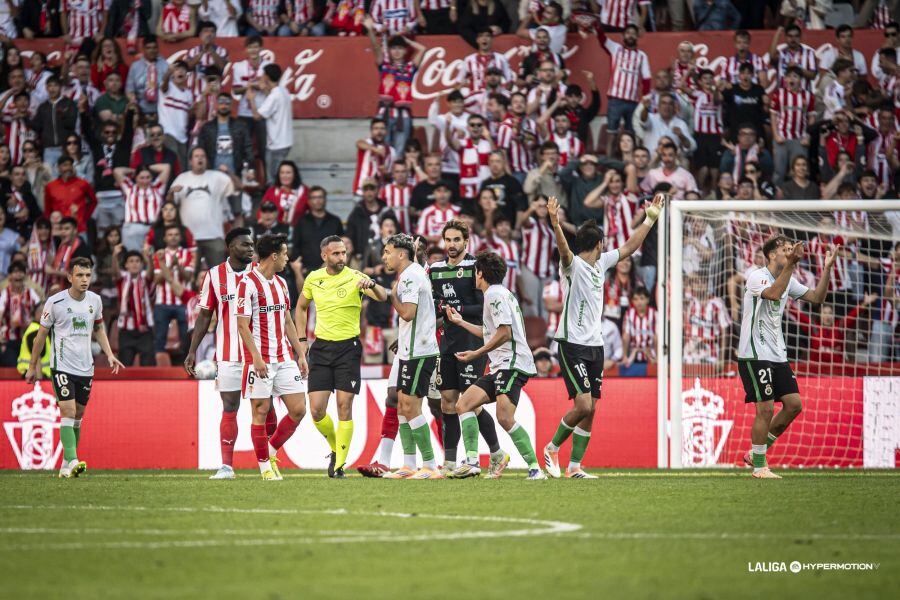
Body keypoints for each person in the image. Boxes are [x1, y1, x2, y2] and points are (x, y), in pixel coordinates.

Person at [544, 192, 663, 479]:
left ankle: (575, 467)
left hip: (595, 345)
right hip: (571, 344)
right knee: (582, 404)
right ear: (598, 244)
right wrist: (556, 225)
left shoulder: (601, 263)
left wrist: (650, 219)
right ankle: (552, 448)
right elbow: (563, 249)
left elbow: (630, 247)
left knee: (592, 408)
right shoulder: (572, 265)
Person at [736, 236, 840, 479]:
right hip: (754, 353)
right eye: (785, 250)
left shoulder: (788, 279)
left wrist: (827, 268)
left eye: (791, 250)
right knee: (765, 409)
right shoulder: (757, 276)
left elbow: (817, 298)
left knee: (794, 405)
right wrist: (792, 264)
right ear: (772, 255)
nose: (790, 253)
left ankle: (755, 453)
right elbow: (773, 294)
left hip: (777, 354)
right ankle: (759, 467)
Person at [445, 250, 544, 480]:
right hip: (501, 365)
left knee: (505, 418)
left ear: (481, 273)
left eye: (475, 271)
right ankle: (472, 462)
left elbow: (504, 333)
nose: (474, 276)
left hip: (512, 363)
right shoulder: (499, 293)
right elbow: (490, 332)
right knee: (463, 404)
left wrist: (476, 354)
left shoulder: (494, 295)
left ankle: (535, 468)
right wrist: (460, 322)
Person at [295, 236, 389, 477]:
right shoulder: (314, 278)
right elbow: (301, 307)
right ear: (324, 255)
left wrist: (372, 284)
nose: (341, 257)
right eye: (336, 253)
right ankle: (336, 448)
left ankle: (338, 466)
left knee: (344, 406)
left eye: (343, 253)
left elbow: (382, 296)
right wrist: (302, 340)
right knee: (316, 410)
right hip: (321, 348)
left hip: (348, 348)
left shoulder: (356, 277)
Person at [25, 257, 125, 478]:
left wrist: (109, 354)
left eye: (88, 275)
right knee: (67, 411)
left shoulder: (95, 301)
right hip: (61, 365)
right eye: (79, 275)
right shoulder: (55, 302)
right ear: (70, 277)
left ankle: (65, 465)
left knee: (78, 415)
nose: (84, 280)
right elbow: (40, 336)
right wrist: (32, 366)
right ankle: (72, 460)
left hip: (85, 367)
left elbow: (98, 329)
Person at [427, 220, 506, 475]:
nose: (451, 245)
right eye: (448, 240)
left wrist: (457, 309)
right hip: (447, 343)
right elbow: (432, 303)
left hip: (473, 342)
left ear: (466, 241)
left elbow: (484, 305)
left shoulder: (476, 268)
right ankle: (450, 462)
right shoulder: (436, 270)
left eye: (456, 240)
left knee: (470, 402)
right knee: (447, 402)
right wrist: (440, 307)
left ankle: (488, 455)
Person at [184, 227, 258, 478]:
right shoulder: (214, 275)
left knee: (264, 407)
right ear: (230, 247)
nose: (250, 248)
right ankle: (227, 466)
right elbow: (205, 315)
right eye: (245, 244)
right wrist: (192, 351)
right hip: (228, 353)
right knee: (229, 406)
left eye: (252, 244)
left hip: (258, 354)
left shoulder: (259, 272)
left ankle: (267, 462)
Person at [235, 233, 309, 481]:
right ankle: (265, 467)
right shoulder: (247, 283)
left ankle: (269, 450)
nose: (288, 258)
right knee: (261, 410)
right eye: (285, 254)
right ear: (274, 256)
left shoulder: (281, 283)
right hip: (260, 359)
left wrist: (300, 354)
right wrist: (256, 357)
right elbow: (242, 325)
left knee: (298, 409)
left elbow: (287, 320)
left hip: (284, 357)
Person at [372, 234, 442, 479]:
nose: (384, 257)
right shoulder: (410, 273)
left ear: (401, 254)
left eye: (387, 252)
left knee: (411, 407)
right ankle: (409, 464)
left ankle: (431, 465)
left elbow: (408, 313)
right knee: (402, 407)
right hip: (408, 352)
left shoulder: (411, 276)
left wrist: (392, 296)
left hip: (419, 351)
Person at [364, 23, 426, 157]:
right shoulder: (384, 66)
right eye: (393, 48)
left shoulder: (410, 68)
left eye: (400, 48)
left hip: (403, 116)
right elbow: (376, 48)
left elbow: (422, 49)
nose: (396, 51)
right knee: (382, 151)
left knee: (398, 154)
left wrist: (406, 40)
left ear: (405, 51)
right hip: (383, 114)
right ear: (389, 51)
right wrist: (370, 30)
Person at [168, 146, 236, 268]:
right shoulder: (181, 178)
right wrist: (171, 193)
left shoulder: (217, 177)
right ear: (190, 161)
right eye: (196, 156)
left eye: (202, 156)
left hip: (214, 236)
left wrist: (229, 173)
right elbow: (169, 205)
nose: (200, 159)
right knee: (191, 275)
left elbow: (238, 187)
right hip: (189, 238)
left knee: (218, 275)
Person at [596, 23, 651, 157]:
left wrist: (645, 99)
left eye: (633, 33)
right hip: (615, 100)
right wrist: (597, 27)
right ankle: (609, 164)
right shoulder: (616, 49)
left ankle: (629, 163)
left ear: (637, 37)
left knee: (631, 136)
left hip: (633, 102)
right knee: (612, 134)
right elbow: (602, 39)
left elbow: (646, 78)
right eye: (628, 33)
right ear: (623, 36)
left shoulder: (642, 56)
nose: (630, 36)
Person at [152, 225, 195, 357]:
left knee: (186, 338)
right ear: (165, 238)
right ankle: (159, 365)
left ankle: (186, 364)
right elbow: (157, 280)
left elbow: (188, 277)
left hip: (183, 302)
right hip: (162, 302)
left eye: (176, 234)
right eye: (170, 234)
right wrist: (171, 265)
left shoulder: (188, 254)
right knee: (160, 337)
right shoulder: (159, 255)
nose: (173, 237)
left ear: (180, 237)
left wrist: (178, 266)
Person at [246, 63, 292, 185]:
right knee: (279, 178)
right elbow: (271, 101)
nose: (261, 77)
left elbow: (257, 116)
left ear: (266, 76)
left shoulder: (274, 96)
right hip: (285, 142)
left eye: (263, 75)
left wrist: (251, 99)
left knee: (274, 180)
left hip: (276, 145)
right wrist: (264, 88)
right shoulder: (283, 91)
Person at [770, 66, 814, 184]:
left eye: (795, 76)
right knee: (779, 171)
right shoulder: (779, 94)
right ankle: (777, 193)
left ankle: (797, 194)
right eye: (789, 76)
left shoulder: (808, 96)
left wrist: (808, 136)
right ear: (784, 79)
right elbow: (773, 115)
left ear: (800, 80)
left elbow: (811, 118)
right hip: (782, 137)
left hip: (799, 139)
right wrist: (776, 135)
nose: (791, 79)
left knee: (799, 171)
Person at [114, 164, 171, 251]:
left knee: (154, 256)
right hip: (133, 228)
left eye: (148, 177)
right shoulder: (129, 188)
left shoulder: (158, 187)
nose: (145, 181)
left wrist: (147, 167)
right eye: (141, 177)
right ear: (136, 178)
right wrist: (135, 170)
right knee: (132, 256)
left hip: (153, 228)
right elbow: (117, 171)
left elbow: (166, 167)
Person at [115, 250, 156, 367]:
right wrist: (114, 256)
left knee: (148, 367)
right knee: (124, 367)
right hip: (126, 330)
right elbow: (115, 272)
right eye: (131, 261)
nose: (134, 264)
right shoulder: (122, 279)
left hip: (145, 330)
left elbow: (151, 273)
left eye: (138, 261)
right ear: (126, 265)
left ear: (142, 264)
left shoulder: (145, 278)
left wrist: (149, 258)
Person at [291, 186, 344, 272]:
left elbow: (341, 247)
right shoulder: (301, 222)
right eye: (314, 198)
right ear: (309, 201)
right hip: (307, 270)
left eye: (320, 197)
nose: (318, 200)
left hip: (331, 269)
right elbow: (296, 247)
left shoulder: (335, 221)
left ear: (325, 199)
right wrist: (300, 268)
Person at [0, 262, 43, 367]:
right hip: (10, 339)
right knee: (11, 366)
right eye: (15, 272)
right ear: (10, 276)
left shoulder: (30, 292)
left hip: (28, 337)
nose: (18, 274)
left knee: (29, 367)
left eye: (20, 272)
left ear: (25, 275)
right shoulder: (5, 293)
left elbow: (40, 309)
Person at [43, 156, 96, 236]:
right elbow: (48, 210)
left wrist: (84, 218)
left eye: (70, 165)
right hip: (58, 230)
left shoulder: (83, 183)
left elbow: (93, 201)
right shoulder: (50, 186)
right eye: (65, 165)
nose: (68, 168)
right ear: (58, 168)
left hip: (78, 228)